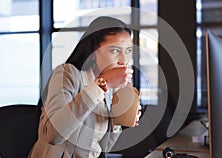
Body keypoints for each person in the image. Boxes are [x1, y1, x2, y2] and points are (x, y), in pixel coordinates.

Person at [28, 16, 142, 158]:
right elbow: (54, 136)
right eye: (115, 51)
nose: (123, 60)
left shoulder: (110, 90)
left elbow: (103, 148)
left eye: (128, 51)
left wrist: (118, 119)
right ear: (94, 51)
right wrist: (102, 83)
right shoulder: (67, 74)